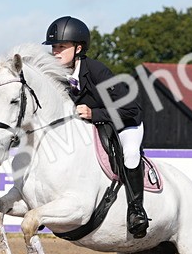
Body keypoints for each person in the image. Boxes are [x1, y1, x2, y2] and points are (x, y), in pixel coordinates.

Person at [43, 15, 149, 239]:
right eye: (54, 47)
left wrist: (96, 113)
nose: (56, 51)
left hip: (123, 124)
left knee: (130, 154)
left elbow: (131, 109)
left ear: (78, 48)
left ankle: (136, 210)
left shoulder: (97, 71)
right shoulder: (55, 76)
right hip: (90, 127)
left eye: (62, 46)